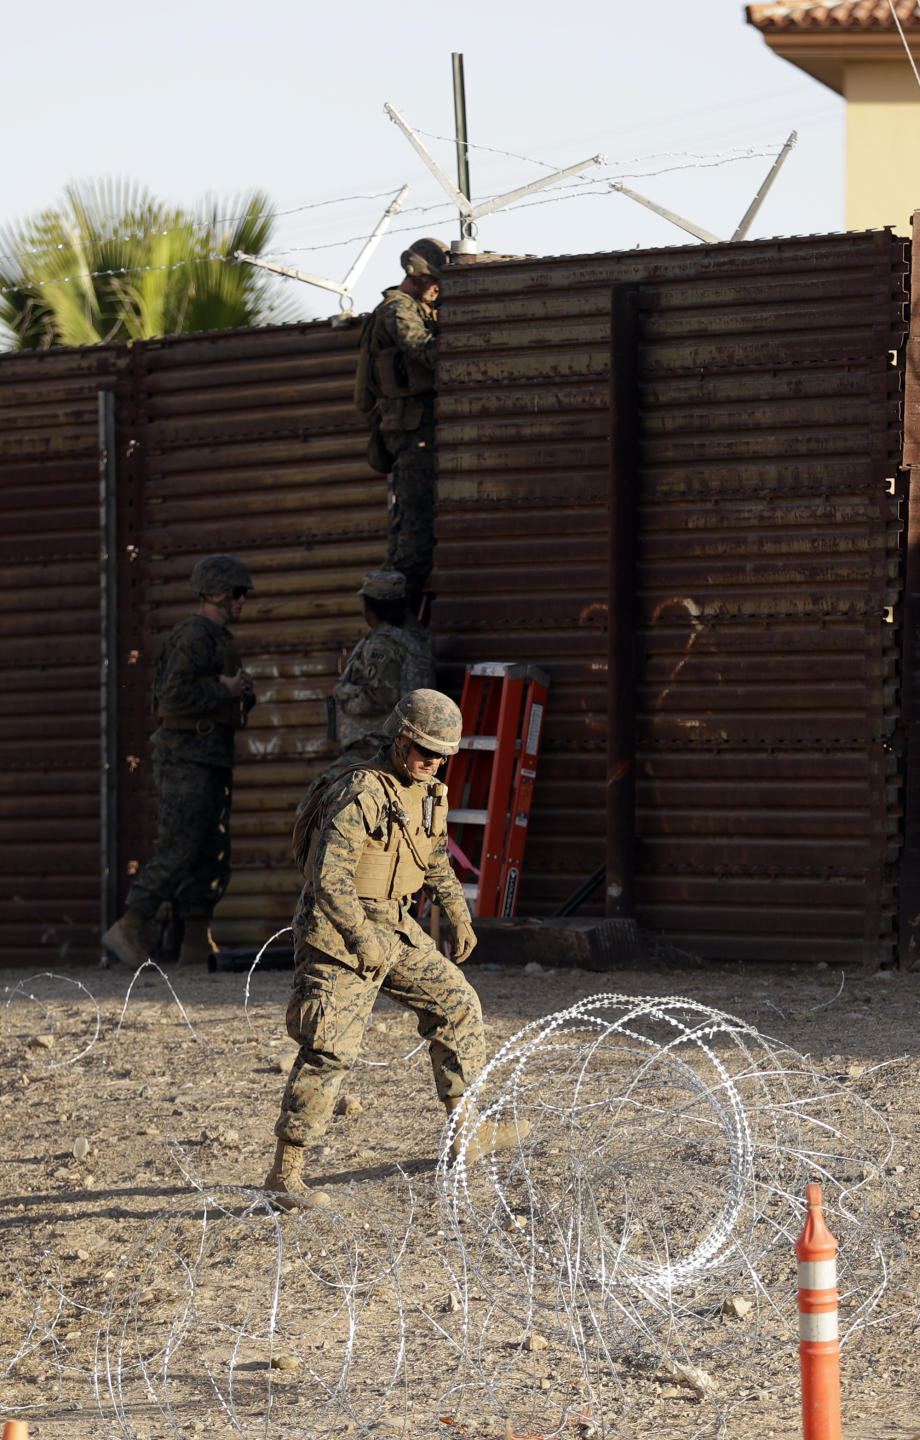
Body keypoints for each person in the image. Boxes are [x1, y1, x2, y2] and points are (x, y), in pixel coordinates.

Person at [263, 688, 524, 1209]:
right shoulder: (361, 791)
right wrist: (361, 939)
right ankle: (284, 1175)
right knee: (330, 1046)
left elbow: (431, 857)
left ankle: (464, 1131)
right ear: (400, 739)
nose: (433, 762)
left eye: (443, 755)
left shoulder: (429, 792)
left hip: (395, 925)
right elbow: (327, 879)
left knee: (456, 1004)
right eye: (425, 751)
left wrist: (455, 909)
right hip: (339, 930)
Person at [102, 554, 256, 968]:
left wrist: (240, 691)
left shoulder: (221, 640)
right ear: (214, 593)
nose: (243, 601)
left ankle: (196, 939)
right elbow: (172, 698)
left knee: (212, 850)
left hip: (212, 758)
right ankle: (131, 924)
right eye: (237, 593)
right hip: (186, 758)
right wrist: (223, 690)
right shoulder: (192, 637)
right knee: (180, 845)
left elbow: (220, 695)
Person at [354, 237, 449, 613]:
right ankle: (390, 619)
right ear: (416, 275)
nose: (438, 287)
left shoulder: (422, 307)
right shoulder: (398, 310)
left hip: (419, 431)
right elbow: (425, 352)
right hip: (412, 435)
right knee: (416, 536)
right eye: (434, 279)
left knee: (411, 532)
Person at [326, 569, 435, 785]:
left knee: (317, 801)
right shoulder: (414, 640)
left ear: (370, 608)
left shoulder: (382, 644)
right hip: (400, 746)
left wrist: (342, 692)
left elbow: (379, 696)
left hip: (375, 746)